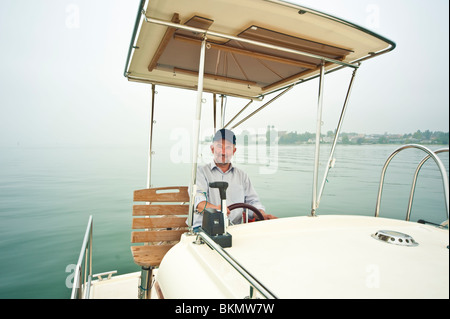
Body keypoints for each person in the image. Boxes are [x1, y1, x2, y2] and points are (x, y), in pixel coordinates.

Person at [192, 129, 276, 230]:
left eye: (228, 147)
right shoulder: (200, 172)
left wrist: (261, 214)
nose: (223, 152)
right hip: (203, 228)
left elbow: (253, 202)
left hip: (234, 229)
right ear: (212, 149)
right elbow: (198, 202)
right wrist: (217, 209)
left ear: (234, 151)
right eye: (219, 146)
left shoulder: (242, 175)